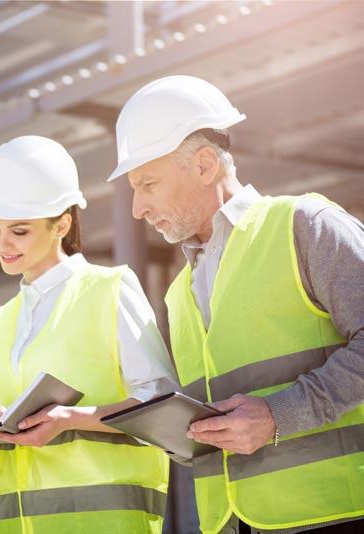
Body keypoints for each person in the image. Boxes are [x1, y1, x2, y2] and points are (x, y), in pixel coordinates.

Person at [107, 75, 364, 534]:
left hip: (335, 513)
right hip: (228, 523)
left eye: (148, 183)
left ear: (205, 165)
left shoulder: (305, 226)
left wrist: (276, 416)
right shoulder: (178, 290)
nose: (137, 208)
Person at [0, 135, 178, 533]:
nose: (2, 244)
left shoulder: (110, 289)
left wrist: (70, 418)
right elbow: (2, 458)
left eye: (19, 231)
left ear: (62, 224)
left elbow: (163, 408)